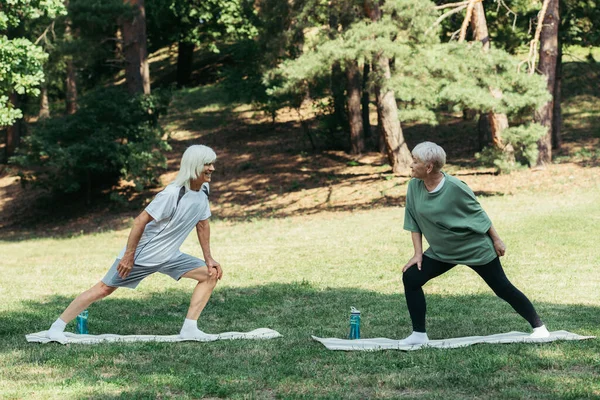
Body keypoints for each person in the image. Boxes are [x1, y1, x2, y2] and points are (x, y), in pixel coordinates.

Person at [46, 145, 223, 342]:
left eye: (212, 163)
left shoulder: (203, 190)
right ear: (194, 165)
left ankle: (190, 328)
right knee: (104, 289)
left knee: (210, 274)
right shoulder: (172, 193)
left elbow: (202, 224)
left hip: (170, 256)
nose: (212, 168)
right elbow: (140, 221)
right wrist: (129, 256)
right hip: (144, 256)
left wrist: (209, 258)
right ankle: (57, 327)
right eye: (207, 164)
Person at [400, 141, 549, 345]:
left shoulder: (455, 187)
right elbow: (413, 220)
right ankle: (419, 334)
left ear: (428, 167)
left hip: (473, 247)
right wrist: (418, 254)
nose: (410, 164)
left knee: (502, 287)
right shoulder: (414, 186)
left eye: (415, 161)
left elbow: (478, 214)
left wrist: (496, 239)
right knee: (411, 278)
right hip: (442, 251)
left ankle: (539, 327)